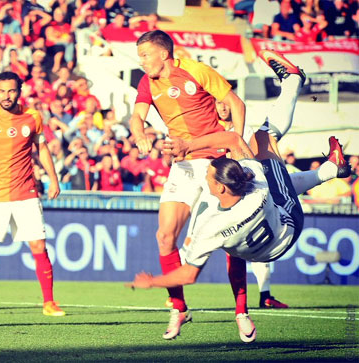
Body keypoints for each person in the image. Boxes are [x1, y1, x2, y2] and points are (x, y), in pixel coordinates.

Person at [128, 129, 350, 343]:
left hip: (268, 243)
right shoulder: (256, 185)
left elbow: (187, 275)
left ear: (221, 188)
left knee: (267, 145)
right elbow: (235, 139)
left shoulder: (211, 227)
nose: (205, 177)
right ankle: (332, 169)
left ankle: (332, 169)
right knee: (263, 137)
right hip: (285, 235)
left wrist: (151, 281)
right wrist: (190, 146)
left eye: (208, 176)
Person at [128, 29, 246, 340]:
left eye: (145, 55)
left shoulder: (196, 70)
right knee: (165, 236)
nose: (141, 61)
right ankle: (179, 307)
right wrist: (139, 135)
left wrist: (238, 143)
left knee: (231, 238)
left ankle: (241, 310)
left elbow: (235, 102)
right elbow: (137, 117)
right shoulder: (146, 83)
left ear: (163, 54)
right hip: (182, 165)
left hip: (214, 162)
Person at [0, 71, 64, 317]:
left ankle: (49, 303)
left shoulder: (32, 117)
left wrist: (53, 179)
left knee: (38, 245)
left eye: (12, 90)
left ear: (20, 90)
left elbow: (42, 148)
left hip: (26, 191)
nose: (7, 96)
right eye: (2, 91)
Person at [213, 99, 288, 309]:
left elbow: (251, 156)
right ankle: (176, 293)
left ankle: (264, 295)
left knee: (256, 241)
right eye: (219, 103)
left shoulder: (245, 129)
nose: (223, 106)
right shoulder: (210, 128)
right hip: (221, 193)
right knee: (225, 245)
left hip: (248, 189)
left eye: (226, 102)